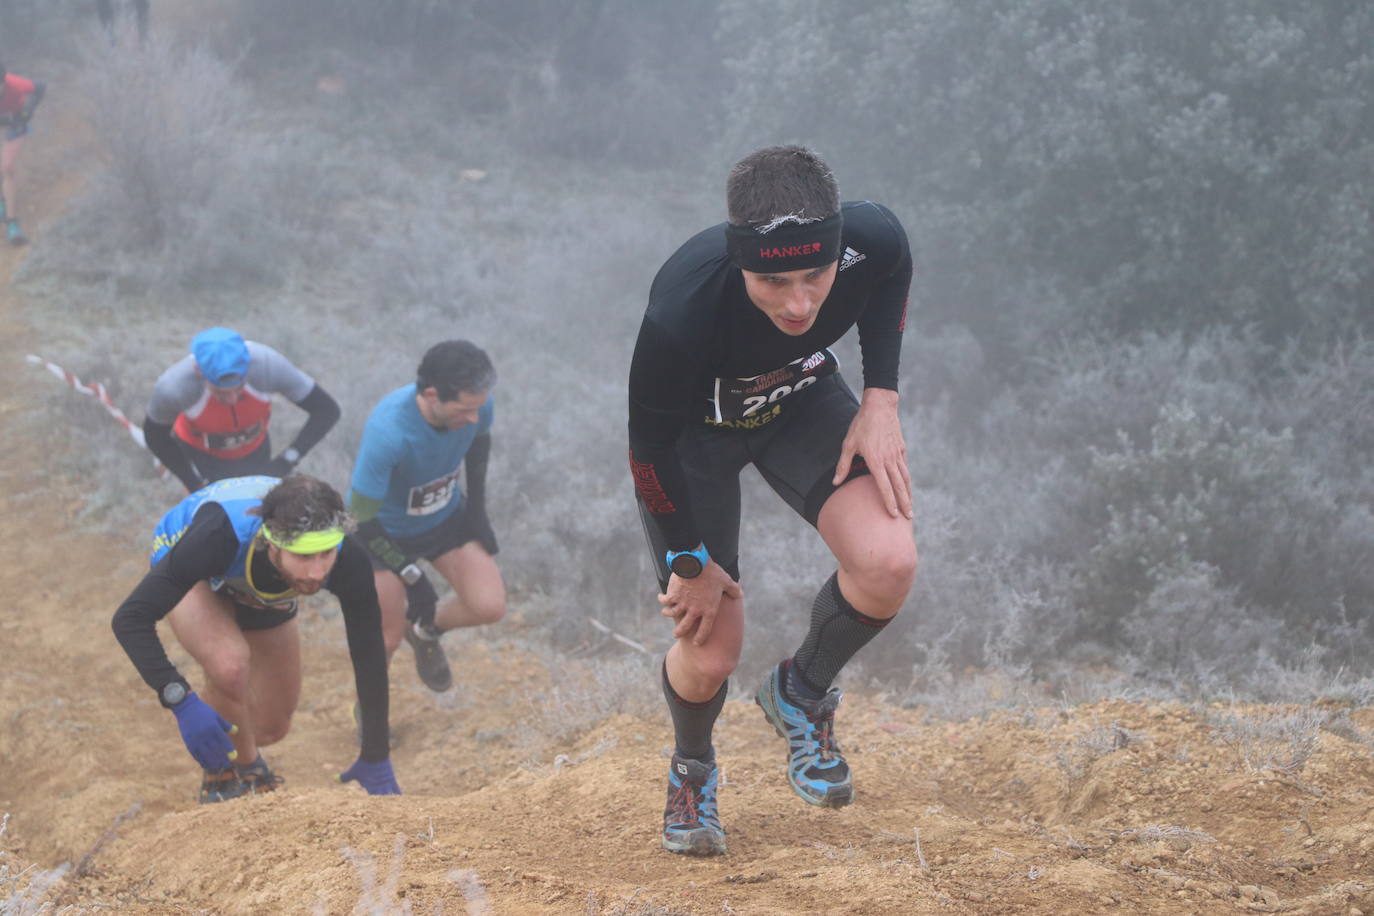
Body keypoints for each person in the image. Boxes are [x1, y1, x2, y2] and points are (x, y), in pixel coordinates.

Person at [628, 146, 918, 856]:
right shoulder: (683, 307)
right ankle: (692, 769)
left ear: (837, 248)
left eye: (815, 274)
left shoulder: (870, 236)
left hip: (801, 406)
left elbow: (892, 275)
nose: (799, 302)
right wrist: (688, 560)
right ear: (738, 261)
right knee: (711, 652)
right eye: (772, 279)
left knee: (888, 563)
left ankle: (800, 692)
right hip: (694, 446)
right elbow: (649, 452)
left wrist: (881, 396)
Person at [111, 474, 401, 802]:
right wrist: (180, 700)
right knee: (229, 665)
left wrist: (376, 755)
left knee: (269, 727)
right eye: (304, 556)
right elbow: (130, 618)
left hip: (259, 584)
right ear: (272, 542)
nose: (318, 572)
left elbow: (368, 651)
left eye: (325, 554)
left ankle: (231, 740)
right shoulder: (216, 536)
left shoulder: (346, 556)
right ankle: (236, 773)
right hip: (196, 566)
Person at [349, 340, 505, 698]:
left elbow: (479, 444)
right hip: (381, 535)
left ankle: (423, 631)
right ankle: (372, 717)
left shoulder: (478, 404)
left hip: (443, 519)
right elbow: (358, 518)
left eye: (478, 408)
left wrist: (477, 512)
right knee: (385, 639)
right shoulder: (389, 432)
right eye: (464, 410)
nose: (473, 418)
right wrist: (411, 575)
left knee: (489, 606)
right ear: (432, 395)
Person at [144, 327, 342, 493]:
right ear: (198, 372)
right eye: (220, 393)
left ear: (248, 367)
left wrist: (287, 460)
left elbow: (327, 410)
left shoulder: (267, 365)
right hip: (199, 457)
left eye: (239, 388)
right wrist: (192, 481)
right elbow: (155, 435)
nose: (231, 399)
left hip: (256, 454)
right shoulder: (174, 387)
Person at [0, 61, 45, 246]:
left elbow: (41, 87)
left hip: (15, 121)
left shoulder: (14, 84)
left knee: (7, 167)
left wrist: (28, 111)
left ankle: (12, 224)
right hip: (6, 119)